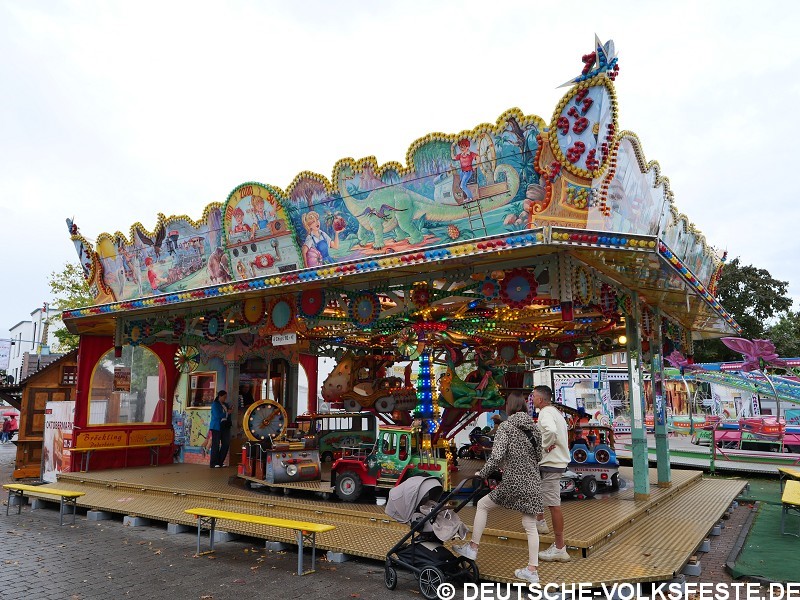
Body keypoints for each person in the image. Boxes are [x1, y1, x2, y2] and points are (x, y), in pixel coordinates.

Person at [454, 394, 544, 584]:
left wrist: (482, 473)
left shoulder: (506, 426)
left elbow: (496, 457)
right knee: (530, 525)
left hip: (513, 481)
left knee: (482, 505)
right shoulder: (534, 429)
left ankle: (473, 547)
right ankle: (532, 570)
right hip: (534, 482)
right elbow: (539, 456)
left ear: (509, 407)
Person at [530, 385, 571, 563]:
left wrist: (544, 445)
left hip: (552, 463)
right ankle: (540, 522)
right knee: (539, 491)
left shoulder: (545, 413)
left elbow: (551, 431)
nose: (532, 399)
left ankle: (560, 548)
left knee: (554, 504)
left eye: (533, 396)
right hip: (553, 462)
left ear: (540, 399)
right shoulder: (555, 412)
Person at [208, 391, 232, 468]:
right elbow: (217, 415)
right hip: (216, 426)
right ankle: (213, 462)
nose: (225, 399)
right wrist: (227, 413)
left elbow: (228, 415)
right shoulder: (215, 404)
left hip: (225, 426)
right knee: (216, 444)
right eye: (224, 397)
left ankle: (220, 461)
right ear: (220, 396)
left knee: (226, 443)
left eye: (226, 397)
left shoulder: (225, 405)